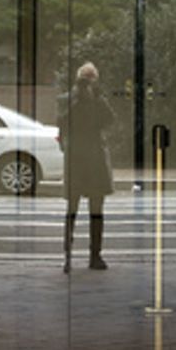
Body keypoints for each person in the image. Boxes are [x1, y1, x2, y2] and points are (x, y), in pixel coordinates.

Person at [64, 61, 114, 272]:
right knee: (96, 211)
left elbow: (62, 124)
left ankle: (67, 256)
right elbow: (110, 119)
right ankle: (95, 256)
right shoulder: (97, 100)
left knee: (71, 210)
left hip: (75, 158)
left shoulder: (67, 99)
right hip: (94, 159)